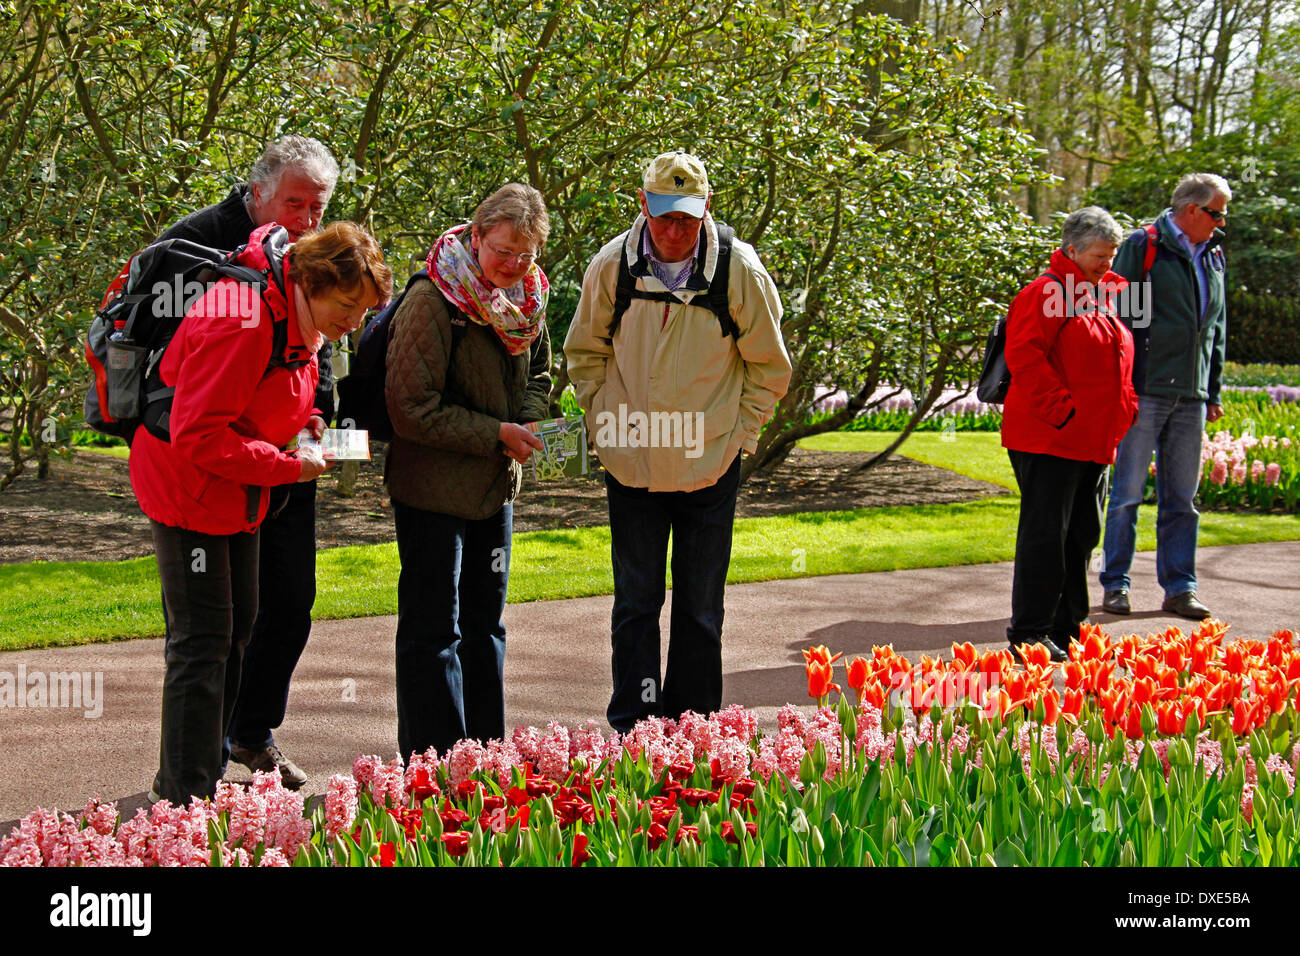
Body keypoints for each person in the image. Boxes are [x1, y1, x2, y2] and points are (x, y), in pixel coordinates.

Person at [132, 221, 391, 804]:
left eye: (364, 309)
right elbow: (196, 434)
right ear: (312, 281)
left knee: (238, 629)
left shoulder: (294, 316)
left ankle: (201, 770)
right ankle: (183, 798)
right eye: (348, 305)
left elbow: (264, 398)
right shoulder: (244, 318)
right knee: (203, 643)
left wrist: (305, 427)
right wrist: (287, 468)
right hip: (190, 489)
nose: (354, 321)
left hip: (235, 494)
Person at [564, 150, 792, 732]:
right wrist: (602, 421)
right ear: (643, 205)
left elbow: (770, 368)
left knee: (700, 607)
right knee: (636, 604)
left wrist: (739, 438)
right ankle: (636, 726)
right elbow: (583, 354)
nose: (673, 231)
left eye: (687, 218)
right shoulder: (611, 266)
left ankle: (693, 726)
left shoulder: (739, 270)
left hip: (709, 465)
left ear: (706, 208)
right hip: (631, 460)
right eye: (663, 216)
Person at [157, 135, 339, 787]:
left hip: (283, 459)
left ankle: (247, 735)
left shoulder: (305, 255)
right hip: (208, 467)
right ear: (258, 191)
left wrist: (318, 422)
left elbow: (313, 348)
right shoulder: (197, 246)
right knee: (207, 637)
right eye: (296, 203)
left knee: (284, 606)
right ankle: (188, 787)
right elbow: (172, 376)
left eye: (319, 207)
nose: (307, 221)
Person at [385, 183, 552, 759]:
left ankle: (486, 756)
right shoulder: (433, 300)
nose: (512, 266)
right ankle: (433, 767)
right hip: (430, 490)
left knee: (486, 628)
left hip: (494, 489)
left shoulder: (528, 298)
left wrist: (525, 425)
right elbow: (411, 409)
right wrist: (495, 435)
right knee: (436, 633)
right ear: (476, 235)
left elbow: (539, 378)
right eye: (502, 251)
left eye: (525, 256)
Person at [1001, 207, 1138, 663]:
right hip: (1049, 438)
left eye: (1112, 254)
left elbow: (1116, 358)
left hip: (1093, 439)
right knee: (1046, 537)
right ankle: (1031, 632)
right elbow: (1025, 357)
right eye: (1100, 254)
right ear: (1072, 250)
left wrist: (1125, 409)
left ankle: (1068, 628)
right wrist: (1064, 413)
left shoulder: (1100, 295)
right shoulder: (1046, 293)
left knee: (1081, 535)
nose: (1108, 263)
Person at [1100, 173, 1231, 620]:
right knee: (1127, 495)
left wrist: (1211, 389)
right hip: (1145, 391)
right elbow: (1119, 319)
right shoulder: (1143, 246)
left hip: (1190, 396)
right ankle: (1115, 584)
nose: (1221, 223)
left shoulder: (1213, 255)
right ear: (1191, 210)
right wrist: (1125, 384)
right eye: (1217, 213)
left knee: (1182, 500)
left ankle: (1180, 589)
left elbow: (1215, 329)